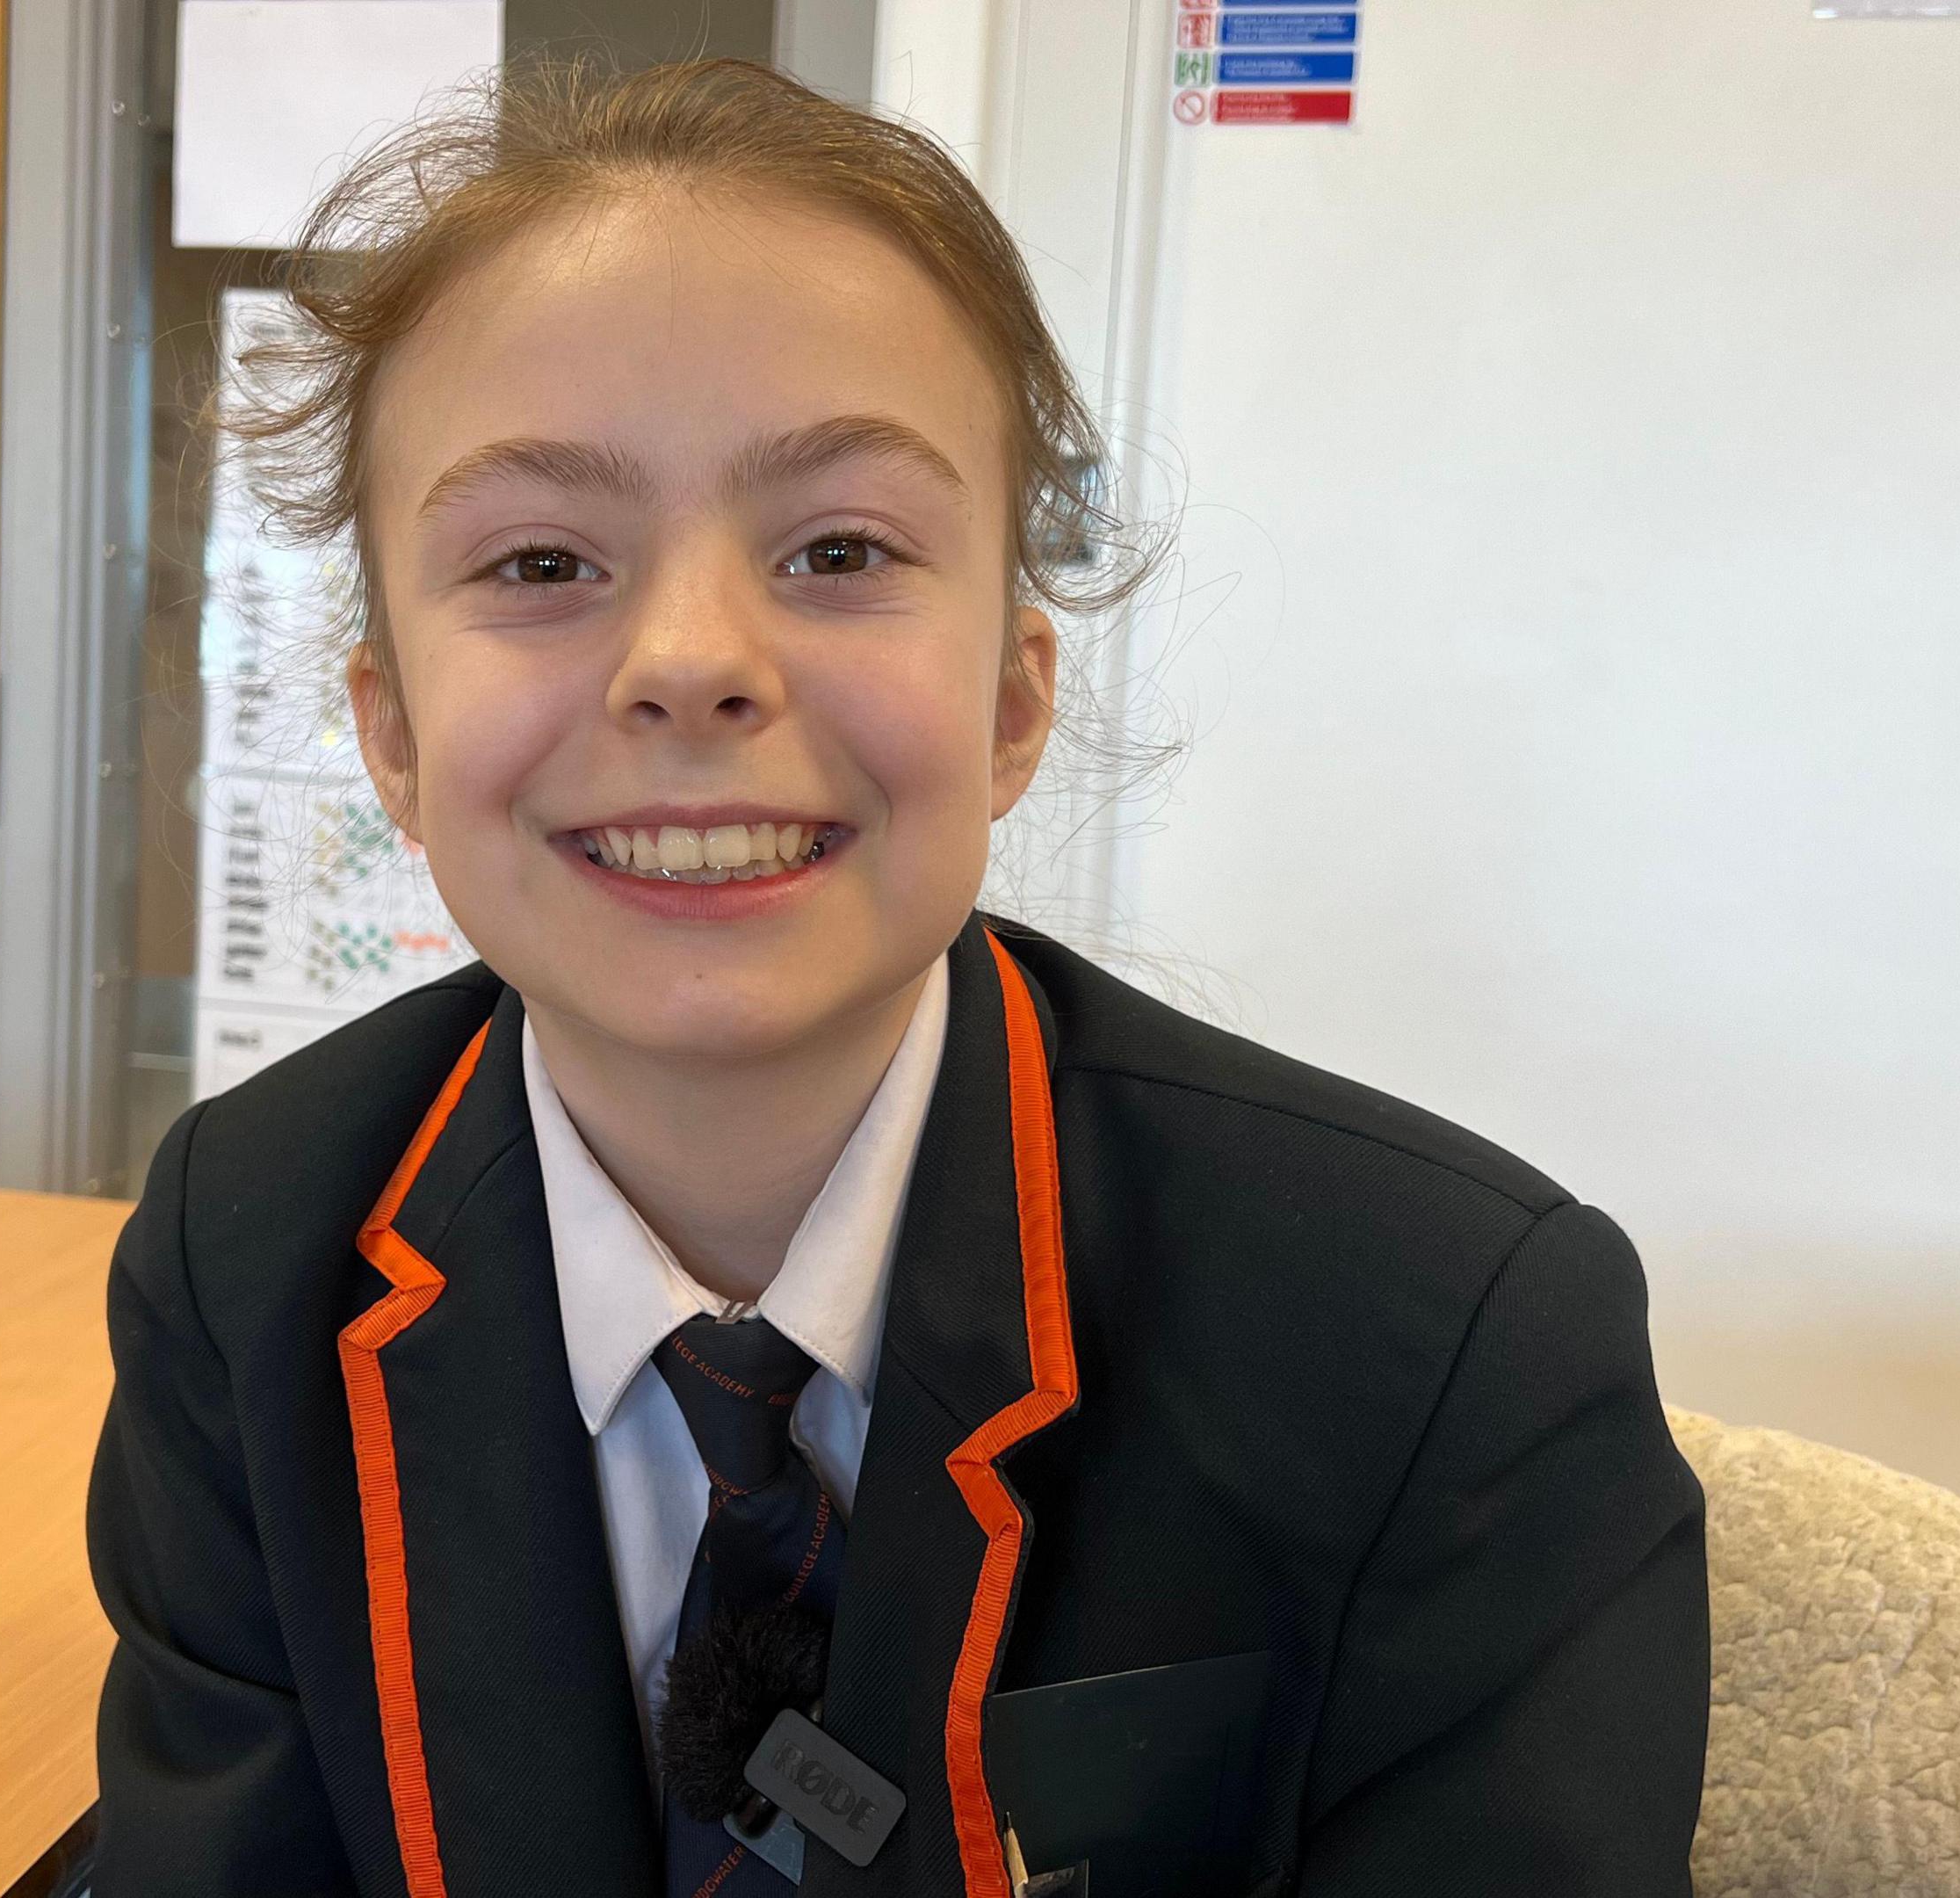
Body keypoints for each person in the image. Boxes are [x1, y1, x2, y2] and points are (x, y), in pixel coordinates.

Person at [88, 59, 1707, 1898]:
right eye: (542, 560)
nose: (690, 664)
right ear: (388, 730)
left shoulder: (1450, 1340)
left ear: (1015, 700)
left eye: (838, 550)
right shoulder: (250, 1253)